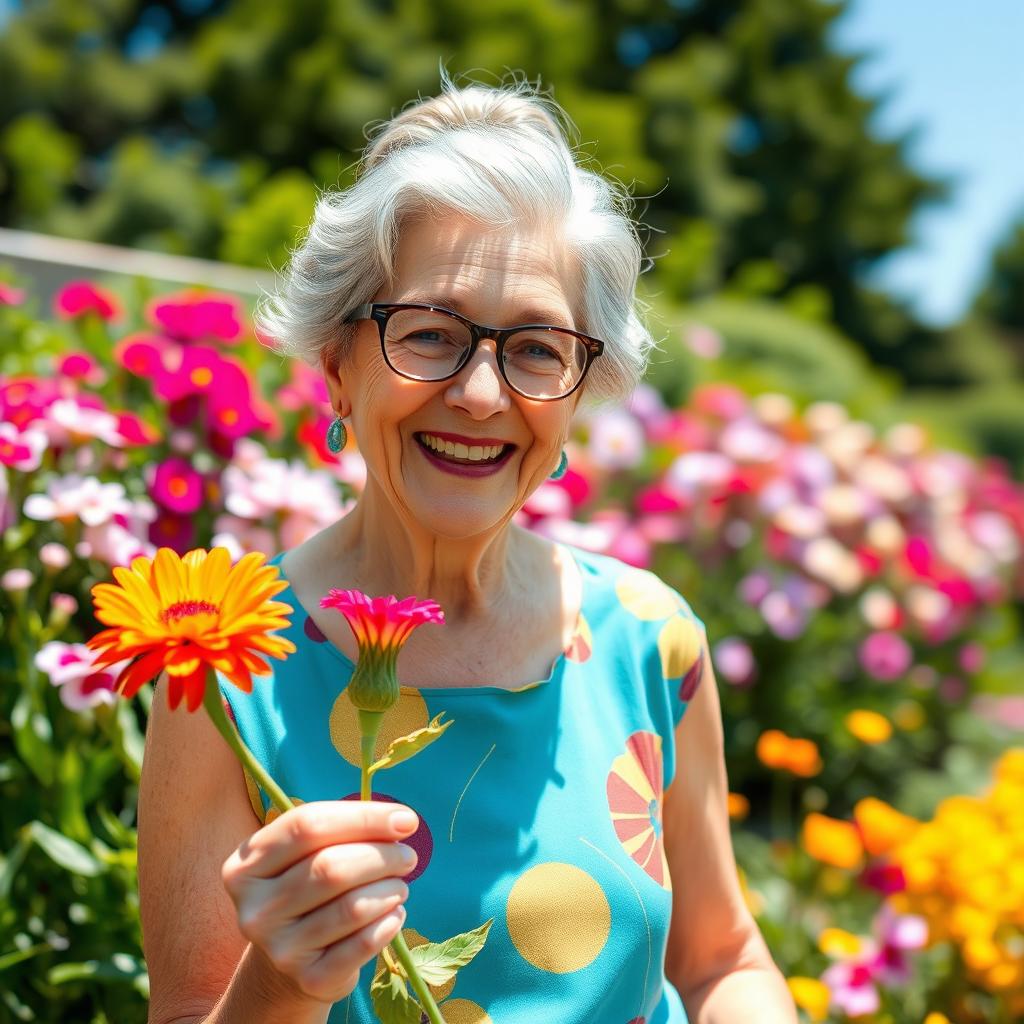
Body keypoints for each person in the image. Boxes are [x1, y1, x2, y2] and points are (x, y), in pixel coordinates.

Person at [139, 73, 798, 1024]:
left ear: (580, 387)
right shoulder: (221, 666)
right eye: (430, 333)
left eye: (536, 348)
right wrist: (281, 983)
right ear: (336, 363)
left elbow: (723, 959)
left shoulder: (651, 640)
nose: (482, 395)